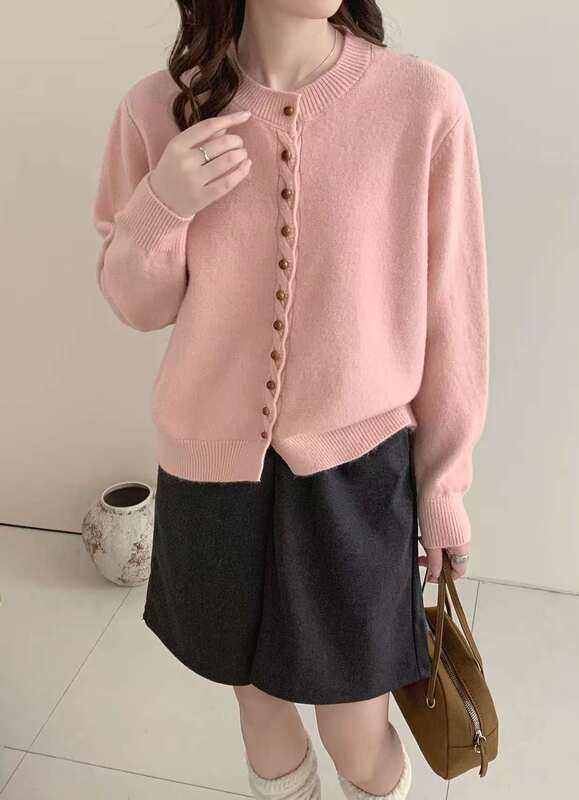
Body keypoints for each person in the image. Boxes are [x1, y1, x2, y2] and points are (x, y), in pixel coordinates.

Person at [92, 2, 489, 799]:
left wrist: (444, 488)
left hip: (357, 476)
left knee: (356, 728)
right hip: (211, 473)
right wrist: (164, 201)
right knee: (258, 702)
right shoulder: (158, 108)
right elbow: (138, 305)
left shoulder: (422, 104)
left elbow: (453, 316)